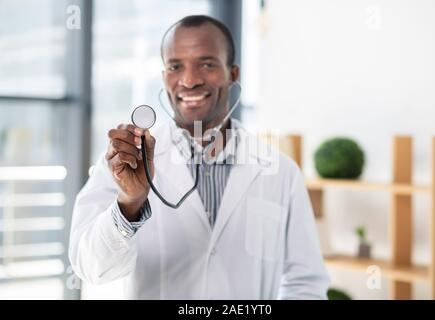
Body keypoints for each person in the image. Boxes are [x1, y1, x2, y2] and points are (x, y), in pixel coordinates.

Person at [69, 15, 329, 299]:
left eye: (207, 64)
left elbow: (306, 283)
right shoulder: (125, 164)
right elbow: (91, 267)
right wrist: (130, 203)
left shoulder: (280, 171)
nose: (190, 80)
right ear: (164, 76)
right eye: (175, 66)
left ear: (233, 73)